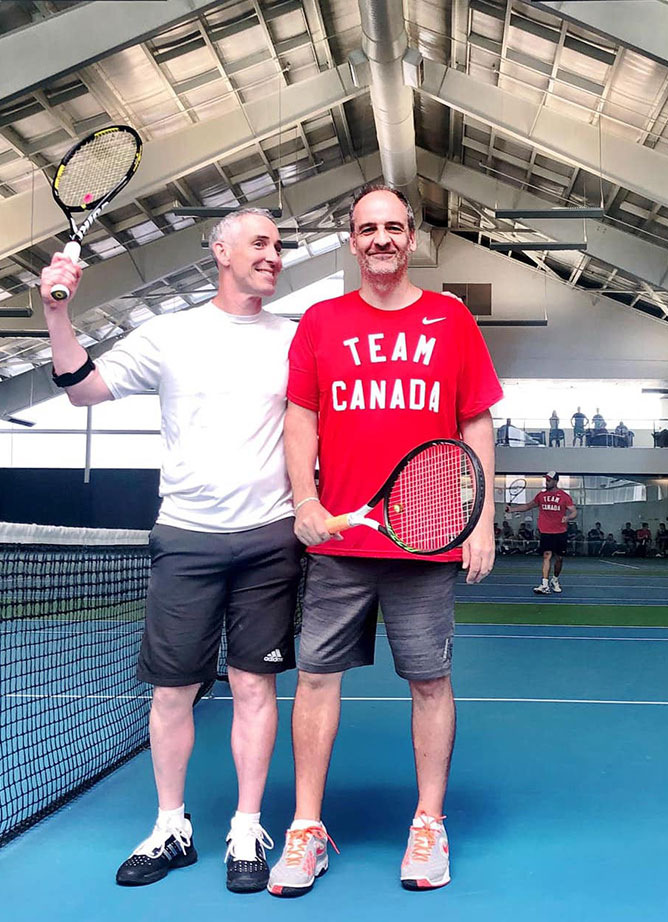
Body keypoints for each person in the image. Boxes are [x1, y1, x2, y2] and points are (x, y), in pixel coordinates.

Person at [40, 207, 300, 894]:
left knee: (253, 685)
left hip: (271, 536)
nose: (273, 254)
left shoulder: (297, 340)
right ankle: (170, 827)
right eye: (259, 243)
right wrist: (57, 314)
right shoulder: (170, 334)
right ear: (219, 250)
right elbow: (83, 390)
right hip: (185, 536)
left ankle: (246, 827)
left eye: (278, 245)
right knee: (173, 690)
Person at [274, 183, 501, 896]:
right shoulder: (319, 321)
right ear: (352, 240)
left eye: (393, 227)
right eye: (367, 228)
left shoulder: (451, 319)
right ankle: (306, 828)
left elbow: (476, 424)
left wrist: (482, 517)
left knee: (431, 682)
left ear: (412, 239)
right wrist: (305, 500)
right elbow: (300, 417)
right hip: (340, 539)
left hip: (425, 540)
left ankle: (428, 824)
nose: (380, 239)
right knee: (315, 679)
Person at [506, 470, 577, 594]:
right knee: (547, 556)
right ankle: (544, 584)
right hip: (546, 531)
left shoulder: (565, 497)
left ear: (555, 481)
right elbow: (528, 506)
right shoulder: (541, 496)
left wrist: (568, 517)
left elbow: (574, 512)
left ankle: (555, 580)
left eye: (549, 480)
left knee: (559, 558)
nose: (547, 481)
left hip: (560, 532)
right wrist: (512, 509)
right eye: (546, 479)